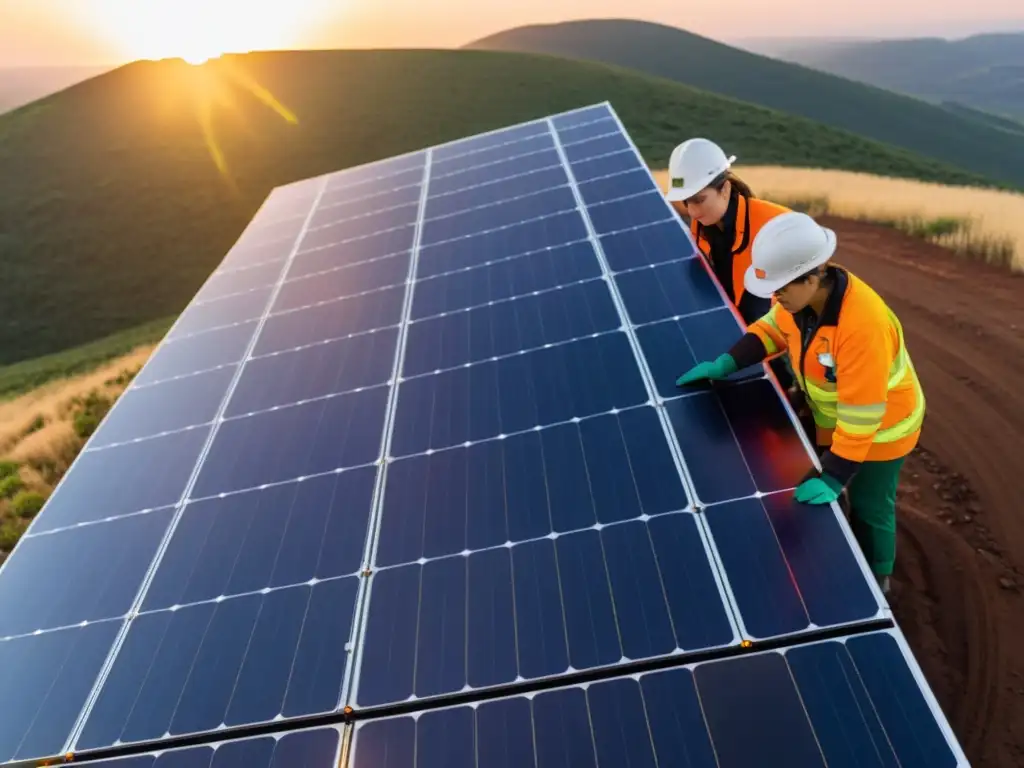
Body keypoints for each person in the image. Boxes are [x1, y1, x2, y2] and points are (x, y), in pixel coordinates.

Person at [675, 211, 926, 595]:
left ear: (812, 276)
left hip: (885, 428)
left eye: (782, 288)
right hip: (836, 415)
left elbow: (863, 415)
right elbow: (773, 329)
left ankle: (879, 580)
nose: (776, 298)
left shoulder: (862, 326)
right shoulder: (802, 302)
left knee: (871, 504)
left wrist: (834, 474)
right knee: (832, 469)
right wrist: (728, 361)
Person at [664, 138, 795, 389]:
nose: (692, 211)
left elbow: (796, 311)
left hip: (769, 345)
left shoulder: (777, 226)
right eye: (686, 202)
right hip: (733, 343)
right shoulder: (703, 224)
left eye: (699, 200)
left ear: (724, 189)